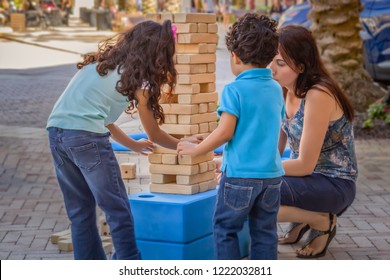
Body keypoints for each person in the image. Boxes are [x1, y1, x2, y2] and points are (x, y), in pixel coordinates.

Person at [47, 20, 178, 260]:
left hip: (56, 134)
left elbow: (102, 119)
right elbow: (155, 134)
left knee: (80, 213)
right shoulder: (141, 82)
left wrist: (133, 145)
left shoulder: (99, 65)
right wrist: (187, 146)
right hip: (86, 138)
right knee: (117, 209)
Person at [177, 13, 284, 260]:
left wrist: (196, 149)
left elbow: (226, 131)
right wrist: (206, 136)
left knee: (225, 229)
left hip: (240, 178)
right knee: (265, 233)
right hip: (271, 177)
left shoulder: (234, 89)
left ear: (234, 56)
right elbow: (255, 126)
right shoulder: (276, 89)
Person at [268, 25, 358, 258]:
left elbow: (304, 164)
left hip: (335, 184)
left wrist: (254, 170)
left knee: (255, 194)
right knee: (246, 184)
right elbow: (274, 151)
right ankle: (300, 221)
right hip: (308, 179)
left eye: (279, 63)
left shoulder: (318, 95)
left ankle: (320, 220)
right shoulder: (284, 91)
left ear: (300, 66)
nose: (271, 69)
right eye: (270, 60)